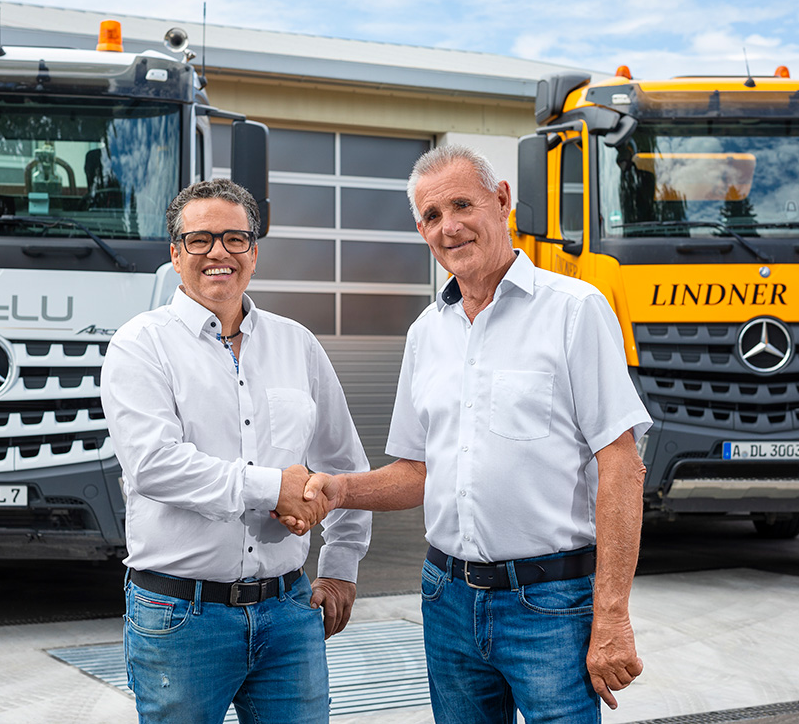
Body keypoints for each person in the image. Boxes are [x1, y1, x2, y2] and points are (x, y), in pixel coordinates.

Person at [282, 145, 652, 723]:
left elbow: (622, 465)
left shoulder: (575, 311)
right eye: (432, 216)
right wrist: (339, 489)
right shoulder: (426, 333)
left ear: (501, 200)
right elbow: (417, 472)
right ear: (421, 231)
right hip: (447, 599)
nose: (449, 226)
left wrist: (611, 615)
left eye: (462, 205)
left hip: (550, 603)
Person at [101, 178, 371, 724]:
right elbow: (155, 465)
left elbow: (344, 464)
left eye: (235, 238)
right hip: (181, 618)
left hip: (289, 613)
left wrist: (341, 565)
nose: (218, 252)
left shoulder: (297, 344)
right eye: (199, 240)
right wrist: (275, 489)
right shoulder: (140, 344)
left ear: (254, 252)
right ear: (175, 254)